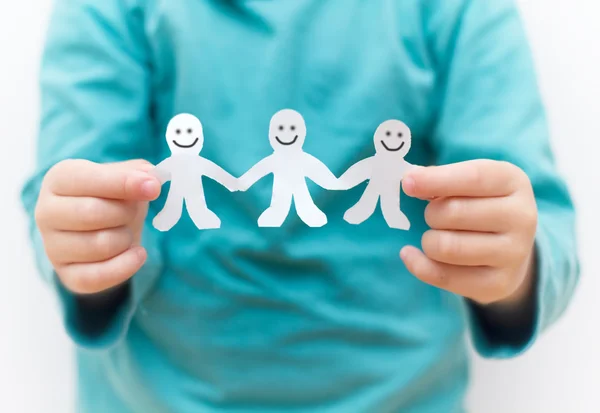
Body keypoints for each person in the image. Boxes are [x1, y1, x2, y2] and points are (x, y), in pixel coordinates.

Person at [22, 0, 579, 412]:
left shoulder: (456, 11)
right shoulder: (107, 9)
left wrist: (510, 266)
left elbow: (538, 218)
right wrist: (88, 244)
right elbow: (71, 192)